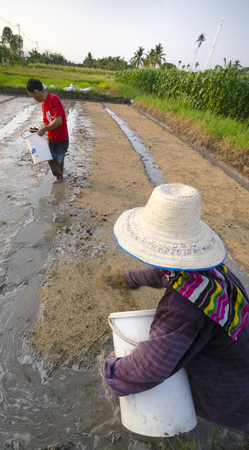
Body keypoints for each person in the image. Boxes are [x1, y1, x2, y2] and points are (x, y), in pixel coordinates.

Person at [102, 183, 249, 431]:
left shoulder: (182, 308)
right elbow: (165, 272)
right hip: (241, 357)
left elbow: (150, 366)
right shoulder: (207, 270)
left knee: (227, 424)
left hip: (227, 381)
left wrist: (112, 366)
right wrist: (129, 279)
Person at [27, 78, 69, 181]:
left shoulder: (54, 99)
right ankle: (59, 176)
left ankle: (60, 175)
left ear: (36, 92)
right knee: (52, 159)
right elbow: (46, 121)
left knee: (59, 159)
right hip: (51, 138)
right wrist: (41, 128)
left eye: (32, 96)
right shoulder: (43, 103)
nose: (33, 98)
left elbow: (59, 120)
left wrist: (45, 128)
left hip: (61, 139)